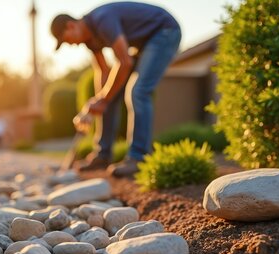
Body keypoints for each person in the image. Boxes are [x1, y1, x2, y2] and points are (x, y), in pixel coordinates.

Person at [51, 2, 181, 177]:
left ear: (71, 25)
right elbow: (103, 71)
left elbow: (125, 61)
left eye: (66, 40)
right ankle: (103, 155)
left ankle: (139, 157)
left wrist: (103, 99)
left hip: (164, 32)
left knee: (138, 91)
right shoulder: (89, 40)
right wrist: (99, 100)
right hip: (143, 43)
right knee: (109, 96)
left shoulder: (102, 20)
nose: (70, 44)